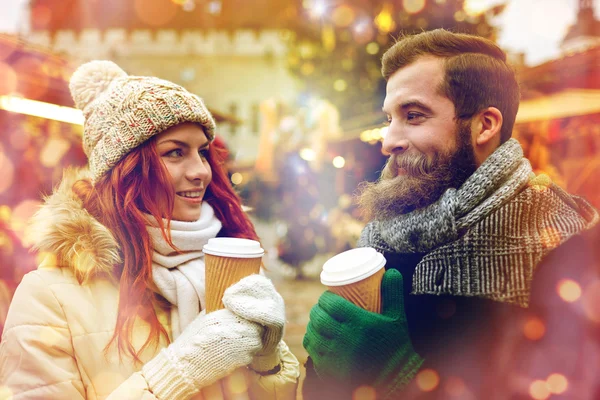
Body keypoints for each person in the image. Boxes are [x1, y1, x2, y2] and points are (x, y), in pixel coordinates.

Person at [302, 29, 599, 399]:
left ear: (485, 126)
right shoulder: (379, 238)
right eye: (390, 118)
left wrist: (402, 378)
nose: (388, 140)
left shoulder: (564, 245)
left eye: (413, 115)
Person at [0, 60, 299, 399]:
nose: (200, 170)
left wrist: (268, 361)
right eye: (175, 153)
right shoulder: (48, 296)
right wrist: (181, 371)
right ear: (126, 171)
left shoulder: (227, 266)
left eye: (202, 152)